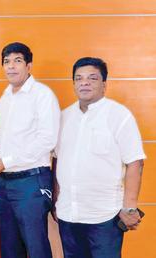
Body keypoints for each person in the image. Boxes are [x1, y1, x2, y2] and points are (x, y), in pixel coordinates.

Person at [54, 57, 146, 258]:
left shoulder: (119, 116)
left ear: (104, 84)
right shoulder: (63, 118)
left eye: (92, 78)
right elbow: (57, 161)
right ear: (74, 84)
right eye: (78, 78)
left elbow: (135, 162)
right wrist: (55, 201)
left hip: (105, 217)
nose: (84, 83)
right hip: (68, 214)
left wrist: (129, 208)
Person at [0, 42, 60, 258]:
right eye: (6, 62)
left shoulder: (42, 95)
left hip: (31, 182)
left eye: (17, 61)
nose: (11, 67)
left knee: (36, 247)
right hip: (5, 182)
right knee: (9, 249)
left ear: (29, 66)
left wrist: (7, 161)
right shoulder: (5, 98)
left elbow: (47, 140)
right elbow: (4, 138)